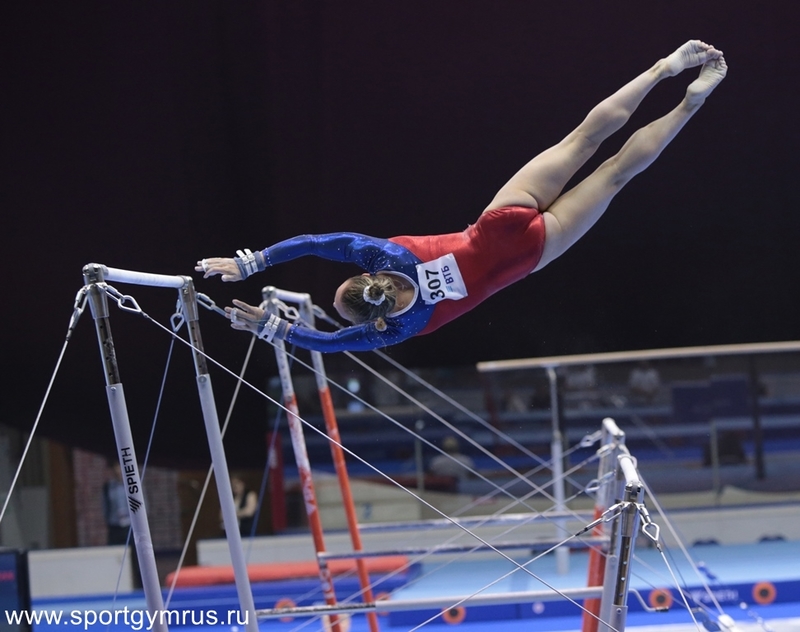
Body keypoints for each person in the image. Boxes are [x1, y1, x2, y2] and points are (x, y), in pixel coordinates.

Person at [197, 42, 727, 353]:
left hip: (532, 251)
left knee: (614, 175)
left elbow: (330, 344)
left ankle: (688, 105)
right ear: (364, 279)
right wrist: (252, 263)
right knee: (582, 140)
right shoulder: (383, 256)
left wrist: (273, 328)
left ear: (373, 315)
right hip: (500, 219)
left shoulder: (397, 326)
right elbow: (316, 242)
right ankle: (662, 68)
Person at [102, 461, 131, 545]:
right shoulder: (108, 487)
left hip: (130, 526)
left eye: (119, 467)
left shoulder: (132, 485)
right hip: (115, 526)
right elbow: (105, 507)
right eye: (115, 468)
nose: (117, 471)